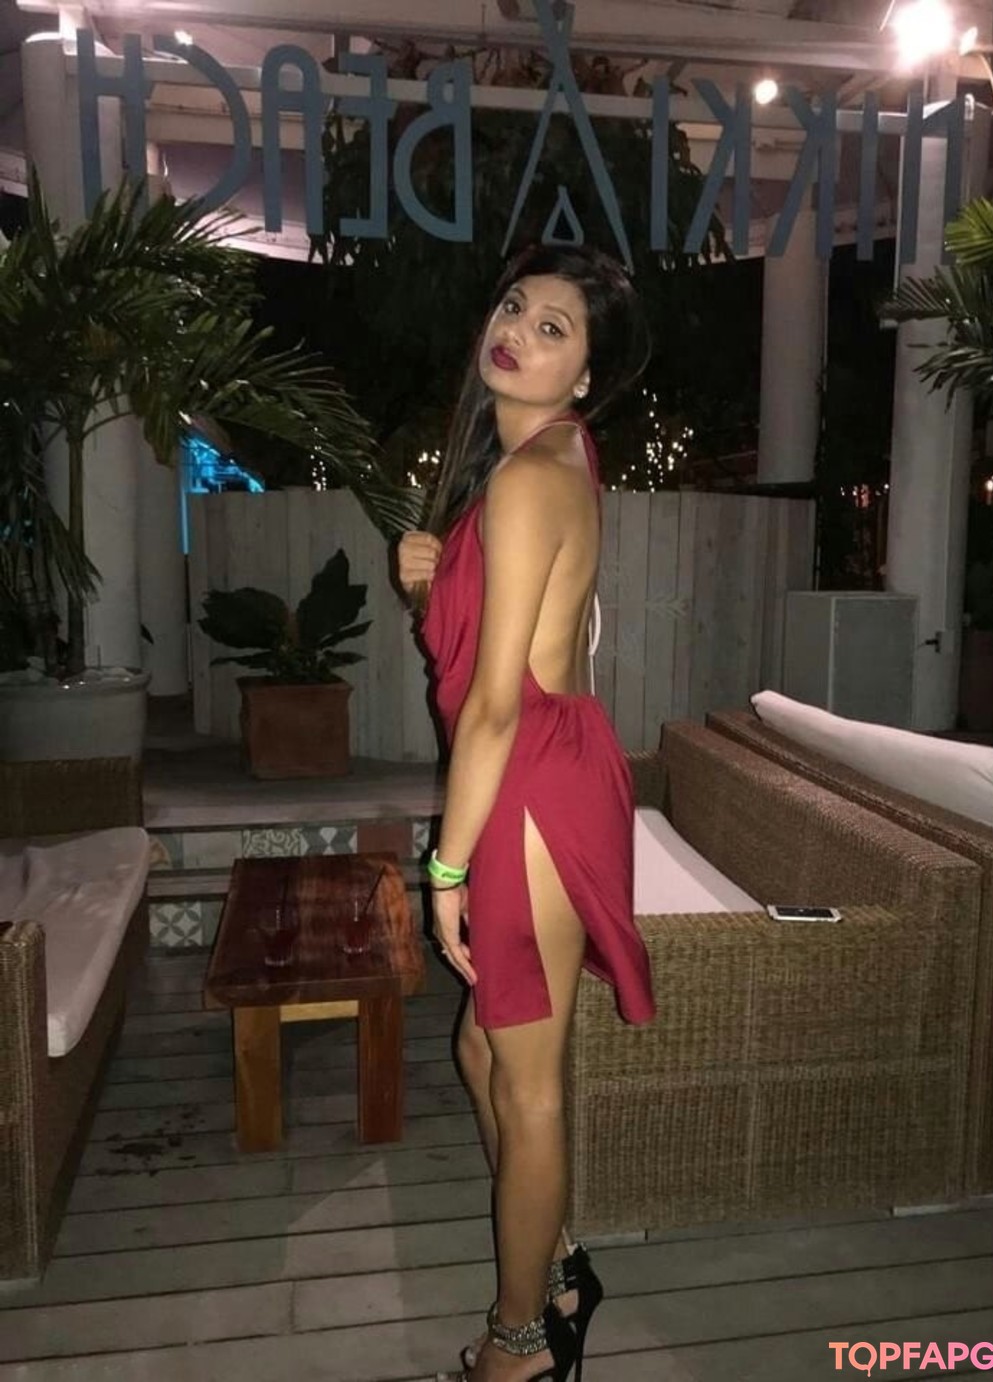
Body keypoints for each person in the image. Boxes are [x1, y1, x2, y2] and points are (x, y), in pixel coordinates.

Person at [397, 243, 657, 1382]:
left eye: (555, 328)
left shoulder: (528, 478)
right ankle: (550, 1276)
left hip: (529, 785)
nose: (518, 331)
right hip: (547, 766)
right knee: (484, 1047)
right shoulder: (547, 460)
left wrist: (444, 869)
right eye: (515, 307)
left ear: (585, 375)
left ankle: (520, 1347)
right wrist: (426, 580)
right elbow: (494, 644)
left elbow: (495, 704)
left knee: (526, 1076)